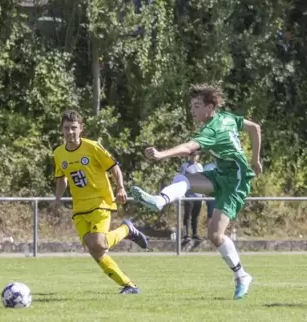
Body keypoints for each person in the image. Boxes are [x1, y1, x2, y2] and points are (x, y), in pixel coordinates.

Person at [131, 84, 262, 300]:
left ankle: (242, 276)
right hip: (220, 174)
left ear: (210, 107)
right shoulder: (226, 117)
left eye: (197, 105)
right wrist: (255, 159)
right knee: (186, 179)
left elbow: (188, 148)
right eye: (191, 106)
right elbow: (255, 128)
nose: (192, 110)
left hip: (236, 183)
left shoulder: (212, 129)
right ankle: (159, 200)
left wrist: (162, 154)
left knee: (215, 235)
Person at [52, 110, 148, 295]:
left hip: (100, 202)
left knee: (99, 243)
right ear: (61, 130)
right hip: (79, 207)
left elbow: (114, 167)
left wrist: (120, 188)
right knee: (95, 251)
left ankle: (127, 229)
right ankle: (129, 285)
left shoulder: (93, 147)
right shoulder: (59, 153)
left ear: (81, 129)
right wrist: (57, 199)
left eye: (74, 128)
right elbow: (61, 178)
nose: (70, 132)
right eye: (66, 128)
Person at [179, 153, 204, 241]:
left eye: (196, 155)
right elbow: (181, 178)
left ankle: (195, 233)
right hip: (189, 194)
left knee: (196, 215)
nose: (194, 157)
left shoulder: (200, 166)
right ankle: (186, 234)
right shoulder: (185, 166)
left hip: (199, 195)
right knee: (187, 215)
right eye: (193, 155)